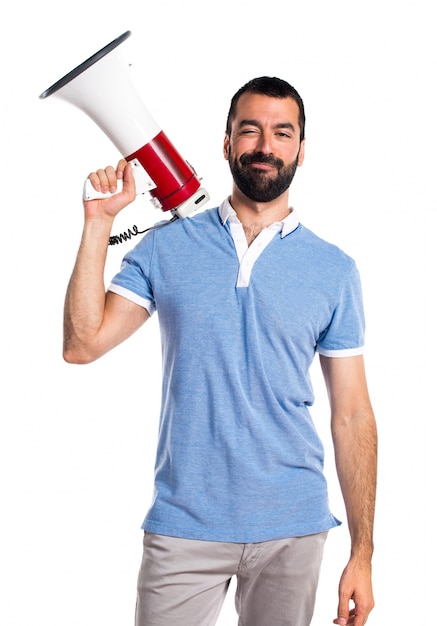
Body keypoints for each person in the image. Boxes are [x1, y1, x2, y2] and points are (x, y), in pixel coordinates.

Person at [63, 76, 377, 626]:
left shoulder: (334, 269)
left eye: (283, 132)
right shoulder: (165, 246)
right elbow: (82, 344)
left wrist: (363, 554)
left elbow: (352, 414)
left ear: (301, 150)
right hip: (184, 524)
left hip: (293, 526)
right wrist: (98, 225)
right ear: (227, 143)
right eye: (249, 130)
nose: (265, 145)